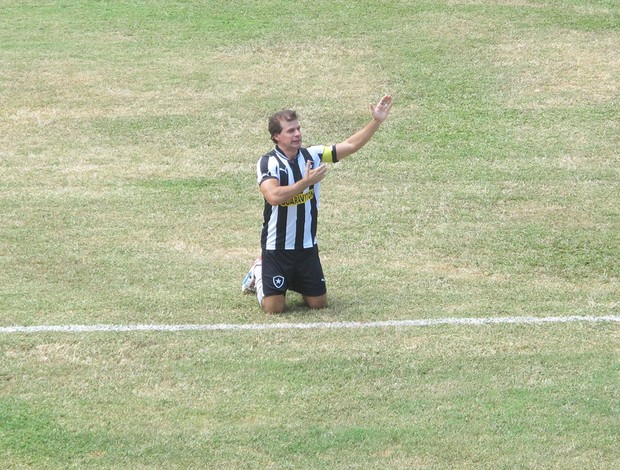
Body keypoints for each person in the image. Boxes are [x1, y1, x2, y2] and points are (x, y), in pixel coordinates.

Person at [242, 94, 394, 313]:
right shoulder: (268, 162)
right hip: (277, 248)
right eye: (290, 131)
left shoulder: (312, 154)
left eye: (298, 129)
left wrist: (376, 121)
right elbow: (273, 196)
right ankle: (258, 270)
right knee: (273, 310)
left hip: (306, 247)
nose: (297, 134)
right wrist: (306, 182)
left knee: (318, 304)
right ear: (276, 136)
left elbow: (350, 145)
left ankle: (293, 281)